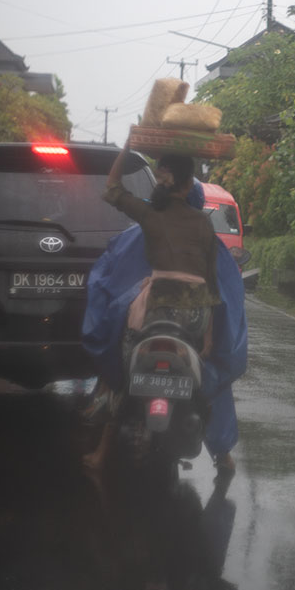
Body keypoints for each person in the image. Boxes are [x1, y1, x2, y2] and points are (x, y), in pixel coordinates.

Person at [84, 144, 225, 472]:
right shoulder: (204, 224)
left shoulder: (149, 214)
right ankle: (213, 441)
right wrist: (209, 336)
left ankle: (101, 453)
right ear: (189, 185)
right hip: (193, 316)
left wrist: (128, 146)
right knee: (201, 378)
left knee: (125, 370)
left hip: (155, 311)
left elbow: (112, 188)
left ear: (161, 182)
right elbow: (212, 284)